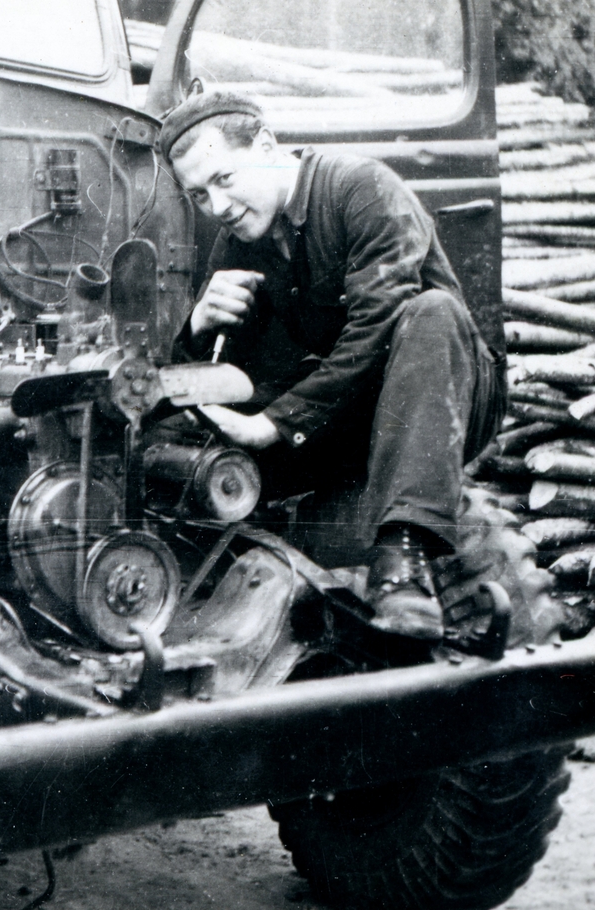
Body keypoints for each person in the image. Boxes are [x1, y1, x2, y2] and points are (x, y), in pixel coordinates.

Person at [160, 90, 504, 641]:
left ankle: (403, 563)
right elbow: (237, 379)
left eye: (224, 179)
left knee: (431, 312)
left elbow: (378, 329)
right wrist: (198, 329)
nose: (218, 206)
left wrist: (273, 424)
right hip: (336, 424)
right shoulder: (236, 245)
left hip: (436, 398)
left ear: (267, 146)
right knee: (167, 428)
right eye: (199, 196)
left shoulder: (361, 189)